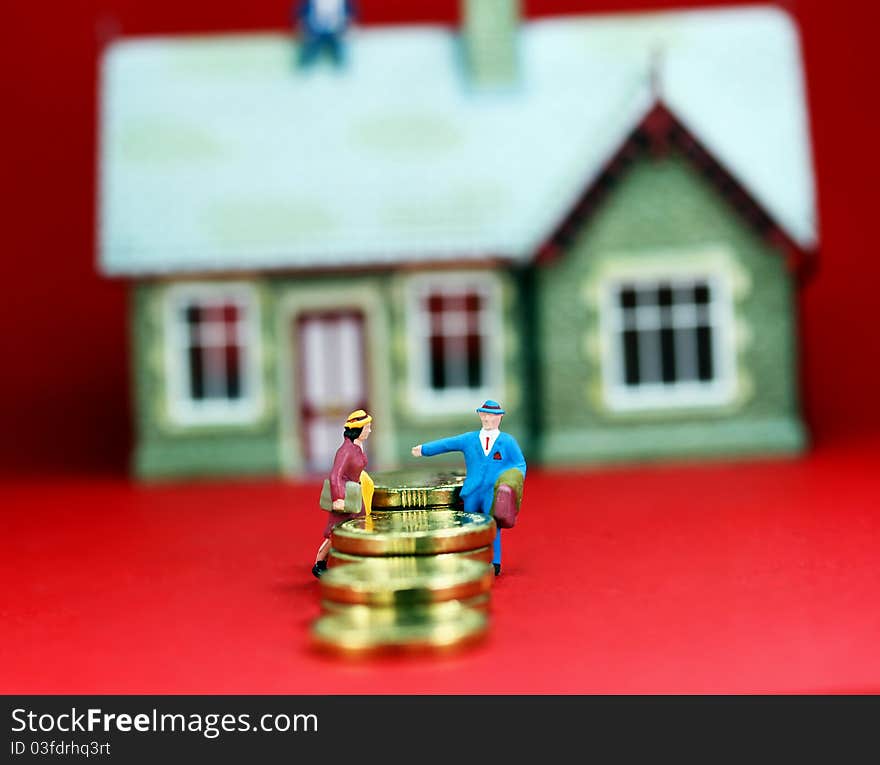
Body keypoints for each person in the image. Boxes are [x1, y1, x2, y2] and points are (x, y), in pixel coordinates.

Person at [411, 400, 525, 575]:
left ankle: (495, 561)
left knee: (493, 526)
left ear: (500, 417)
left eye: (492, 416)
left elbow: (520, 464)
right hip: (472, 491)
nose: (488, 419)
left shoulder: (507, 442)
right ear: (480, 415)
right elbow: (447, 444)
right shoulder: (469, 439)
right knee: (468, 525)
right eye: (485, 415)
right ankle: (470, 558)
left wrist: (512, 481)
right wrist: (425, 449)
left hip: (492, 492)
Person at [312, 409, 373, 578]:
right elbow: (335, 475)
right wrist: (339, 498)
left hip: (356, 495)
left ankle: (355, 562)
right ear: (358, 430)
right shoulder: (345, 451)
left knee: (359, 528)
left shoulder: (357, 448)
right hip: (345, 497)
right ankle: (319, 563)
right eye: (367, 427)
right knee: (335, 533)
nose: (369, 430)